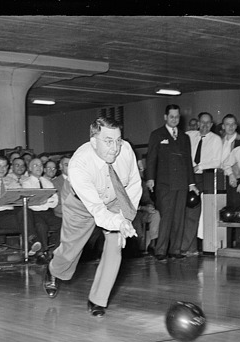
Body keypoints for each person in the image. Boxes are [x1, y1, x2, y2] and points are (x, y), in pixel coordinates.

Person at [43, 117, 142, 318]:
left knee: (116, 246)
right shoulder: (79, 164)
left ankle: (98, 300)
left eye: (118, 140)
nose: (115, 148)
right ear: (93, 141)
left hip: (114, 198)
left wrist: (125, 218)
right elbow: (97, 210)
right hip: (82, 205)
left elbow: (133, 185)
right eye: (108, 141)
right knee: (70, 250)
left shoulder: (126, 150)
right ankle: (54, 270)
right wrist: (118, 222)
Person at [145, 104, 199, 261]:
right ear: (165, 117)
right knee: (166, 216)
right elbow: (151, 158)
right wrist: (150, 178)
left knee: (179, 217)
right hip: (164, 183)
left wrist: (191, 183)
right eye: (171, 117)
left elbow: (188, 161)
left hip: (182, 183)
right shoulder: (157, 135)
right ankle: (161, 250)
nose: (174, 119)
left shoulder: (184, 137)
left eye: (177, 117)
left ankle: (175, 249)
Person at [0, 154, 42, 256]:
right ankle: (32, 244)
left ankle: (32, 245)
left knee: (26, 213)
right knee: (28, 220)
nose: (2, 169)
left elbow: (20, 196)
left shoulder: (12, 181)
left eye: (4, 166)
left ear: (8, 167)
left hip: (12, 213)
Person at [182, 111, 222, 255]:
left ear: (211, 125)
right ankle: (190, 247)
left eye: (208, 123)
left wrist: (199, 166)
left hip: (204, 177)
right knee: (187, 213)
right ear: (197, 123)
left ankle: (188, 247)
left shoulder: (216, 139)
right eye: (202, 122)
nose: (204, 126)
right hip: (188, 178)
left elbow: (217, 161)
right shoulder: (189, 135)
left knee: (195, 212)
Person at [22, 158, 61, 259]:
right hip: (35, 213)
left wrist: (43, 201)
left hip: (48, 212)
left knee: (63, 224)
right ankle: (43, 252)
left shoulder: (47, 182)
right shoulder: (26, 183)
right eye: (35, 165)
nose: (38, 167)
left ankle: (56, 251)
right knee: (40, 226)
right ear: (30, 168)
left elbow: (54, 200)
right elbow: (30, 202)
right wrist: (42, 201)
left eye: (40, 165)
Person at [220, 113, 240, 248]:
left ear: (236, 126)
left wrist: (233, 175)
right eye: (227, 124)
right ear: (223, 126)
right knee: (225, 213)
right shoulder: (219, 141)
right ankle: (227, 244)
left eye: (232, 124)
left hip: (236, 179)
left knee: (238, 212)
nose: (230, 127)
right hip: (220, 181)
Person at [133, 158, 160, 256]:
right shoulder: (126, 182)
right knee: (136, 220)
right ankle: (137, 249)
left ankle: (152, 244)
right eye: (139, 169)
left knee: (155, 214)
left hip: (142, 211)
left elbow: (147, 199)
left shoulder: (142, 183)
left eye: (142, 169)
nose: (141, 171)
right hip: (132, 213)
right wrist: (143, 208)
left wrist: (150, 205)